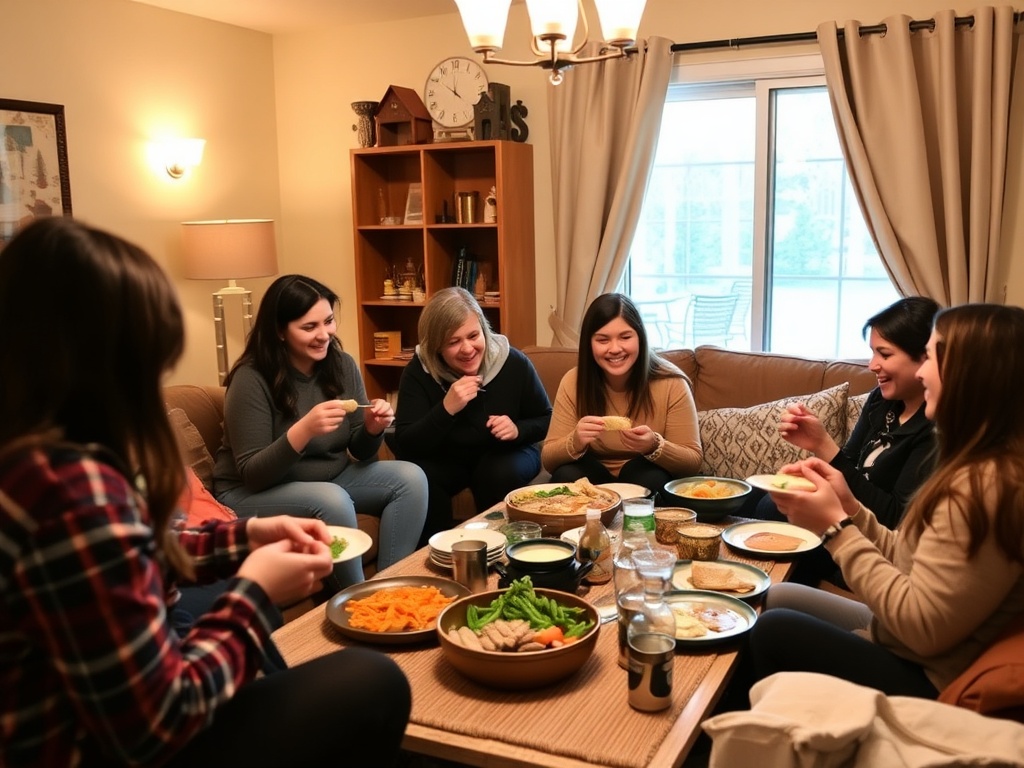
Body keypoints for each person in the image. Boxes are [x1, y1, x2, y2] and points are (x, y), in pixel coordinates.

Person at [0, 218, 410, 766]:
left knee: (239, 634)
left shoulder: (44, 456)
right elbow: (154, 727)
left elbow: (141, 547)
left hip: (124, 698)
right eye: (148, 358)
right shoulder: (70, 492)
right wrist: (254, 590)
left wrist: (247, 537)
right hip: (104, 746)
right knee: (372, 679)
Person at [746, 303, 1024, 699]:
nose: (924, 370)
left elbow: (922, 629)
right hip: (897, 637)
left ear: (975, 375)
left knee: (773, 629)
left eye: (932, 356)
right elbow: (908, 553)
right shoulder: (971, 464)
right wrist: (850, 507)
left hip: (926, 673)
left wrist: (836, 529)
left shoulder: (986, 488)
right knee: (769, 596)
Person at [213, 274, 427, 588]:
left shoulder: (341, 365)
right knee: (332, 500)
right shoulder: (251, 379)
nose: (324, 335)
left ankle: (390, 587)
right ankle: (355, 601)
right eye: (309, 327)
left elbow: (361, 452)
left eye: (328, 321)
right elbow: (252, 473)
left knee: (411, 478)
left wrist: (371, 429)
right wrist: (303, 431)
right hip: (250, 492)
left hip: (328, 478)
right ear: (279, 331)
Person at [752, 296, 938, 530]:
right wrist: (814, 464)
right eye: (873, 353)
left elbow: (894, 518)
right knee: (750, 495)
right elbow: (849, 462)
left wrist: (823, 445)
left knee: (769, 508)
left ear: (926, 357)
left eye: (885, 354)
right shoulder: (881, 401)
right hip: (843, 508)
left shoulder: (934, 431)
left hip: (867, 532)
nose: (872, 365)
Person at [388, 287, 552, 544]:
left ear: (484, 330)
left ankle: (504, 548)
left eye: (473, 336)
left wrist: (517, 429)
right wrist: (446, 409)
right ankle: (440, 553)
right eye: (453, 342)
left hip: (507, 451)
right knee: (423, 476)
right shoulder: (419, 372)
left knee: (496, 472)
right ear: (436, 347)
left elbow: (545, 418)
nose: (467, 348)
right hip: (449, 458)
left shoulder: (513, 362)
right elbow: (406, 443)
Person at [541, 292, 702, 498]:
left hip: (647, 476)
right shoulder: (574, 381)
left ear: (640, 338)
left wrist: (654, 445)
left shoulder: (671, 383)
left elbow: (692, 462)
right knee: (566, 475)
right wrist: (575, 440)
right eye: (602, 340)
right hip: (592, 478)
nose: (615, 349)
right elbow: (549, 460)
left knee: (651, 477)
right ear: (589, 344)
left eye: (625, 337)